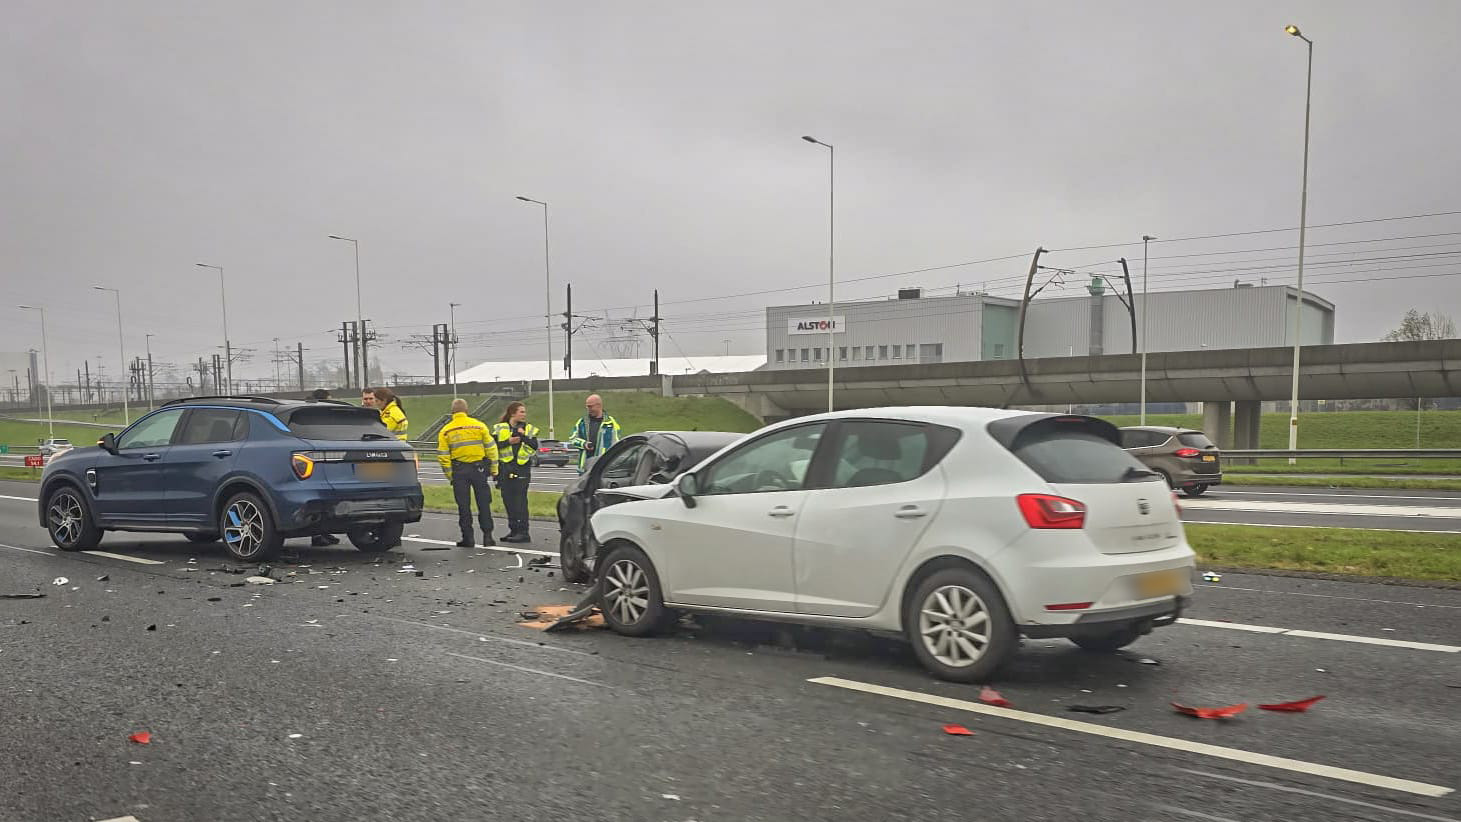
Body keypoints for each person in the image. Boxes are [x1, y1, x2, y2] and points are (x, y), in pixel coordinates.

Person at [437, 398, 498, 548]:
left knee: (463, 506)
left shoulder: (446, 430)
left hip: (459, 471)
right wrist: (494, 469)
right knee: (484, 504)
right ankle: (488, 536)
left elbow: (443, 456)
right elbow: (491, 448)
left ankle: (468, 538)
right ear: (467, 410)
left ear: (452, 412)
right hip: (479, 469)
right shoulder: (479, 425)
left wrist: (450, 475)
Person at [491, 402, 540, 543]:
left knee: (520, 501)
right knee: (508, 501)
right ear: (513, 413)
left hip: (521, 469)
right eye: (521, 412)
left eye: (524, 412)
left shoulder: (528, 428)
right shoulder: (500, 428)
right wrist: (508, 442)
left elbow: (534, 446)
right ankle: (513, 530)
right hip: (505, 469)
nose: (524, 414)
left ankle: (523, 532)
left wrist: (523, 436)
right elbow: (492, 446)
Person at [568, 393, 621, 473]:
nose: (588, 409)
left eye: (590, 406)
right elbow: (572, 439)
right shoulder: (582, 422)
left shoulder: (611, 423)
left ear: (599, 405)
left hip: (603, 468)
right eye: (587, 406)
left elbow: (616, 444)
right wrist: (584, 444)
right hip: (585, 469)